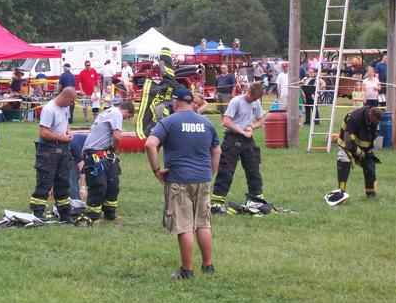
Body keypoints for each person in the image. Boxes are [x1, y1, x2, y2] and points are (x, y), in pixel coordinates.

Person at [145, 88, 221, 280]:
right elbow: (217, 151)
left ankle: (187, 271)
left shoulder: (169, 121)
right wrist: (210, 173)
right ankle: (208, 265)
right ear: (192, 103)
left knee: (184, 226)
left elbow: (150, 144)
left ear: (176, 102)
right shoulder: (206, 122)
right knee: (203, 224)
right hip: (203, 179)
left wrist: (156, 170)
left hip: (179, 179)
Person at [211, 82, 265, 209]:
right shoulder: (236, 102)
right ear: (249, 92)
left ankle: (256, 198)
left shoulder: (255, 103)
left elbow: (261, 121)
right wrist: (242, 132)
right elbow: (226, 121)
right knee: (226, 170)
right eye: (254, 97)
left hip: (248, 139)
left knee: (253, 169)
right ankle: (217, 201)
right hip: (232, 138)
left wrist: (252, 127)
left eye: (257, 99)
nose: (255, 101)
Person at [81, 101, 135, 223]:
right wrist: (116, 148)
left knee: (113, 184)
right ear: (126, 112)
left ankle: (110, 214)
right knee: (98, 186)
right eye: (128, 117)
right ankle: (93, 216)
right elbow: (117, 136)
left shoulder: (108, 111)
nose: (126, 119)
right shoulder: (117, 114)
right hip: (95, 153)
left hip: (105, 153)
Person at [29, 87, 78, 222]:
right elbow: (43, 132)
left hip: (63, 150)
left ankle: (65, 214)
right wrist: (61, 138)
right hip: (48, 150)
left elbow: (66, 121)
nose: (72, 104)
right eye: (71, 101)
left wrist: (68, 131)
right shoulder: (49, 110)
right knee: (45, 181)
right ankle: (38, 213)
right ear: (65, 97)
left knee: (63, 183)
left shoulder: (65, 107)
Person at [336, 106, 382, 198]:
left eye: (377, 121)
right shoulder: (354, 118)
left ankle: (371, 194)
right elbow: (348, 142)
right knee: (344, 166)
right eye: (375, 120)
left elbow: (372, 137)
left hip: (362, 147)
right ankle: (340, 194)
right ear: (370, 114)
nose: (376, 123)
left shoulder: (375, 121)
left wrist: (368, 151)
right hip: (346, 144)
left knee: (370, 166)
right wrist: (359, 152)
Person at [68, 133, 88, 200]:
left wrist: (82, 187)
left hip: (91, 150)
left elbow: (82, 169)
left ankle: (76, 202)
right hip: (77, 152)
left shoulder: (74, 147)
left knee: (72, 177)